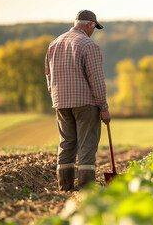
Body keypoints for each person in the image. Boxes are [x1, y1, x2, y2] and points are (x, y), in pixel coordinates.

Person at [45, 10, 111, 191]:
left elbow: (48, 76)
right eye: (94, 28)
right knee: (87, 144)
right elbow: (96, 80)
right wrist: (104, 107)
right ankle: (86, 188)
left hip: (60, 103)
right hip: (85, 103)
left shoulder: (54, 44)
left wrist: (56, 97)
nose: (93, 31)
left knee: (66, 143)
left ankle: (64, 186)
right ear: (90, 25)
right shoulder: (89, 45)